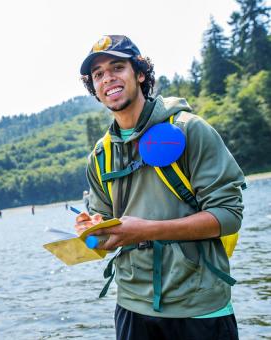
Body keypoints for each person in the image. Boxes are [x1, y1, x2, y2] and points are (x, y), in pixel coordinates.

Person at [75, 35, 244, 339]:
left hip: (200, 306)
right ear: (95, 89)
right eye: (98, 74)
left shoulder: (191, 130)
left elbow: (229, 215)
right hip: (132, 307)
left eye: (117, 67)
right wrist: (92, 231)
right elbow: (103, 235)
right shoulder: (99, 158)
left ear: (140, 73)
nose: (107, 78)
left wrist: (147, 230)